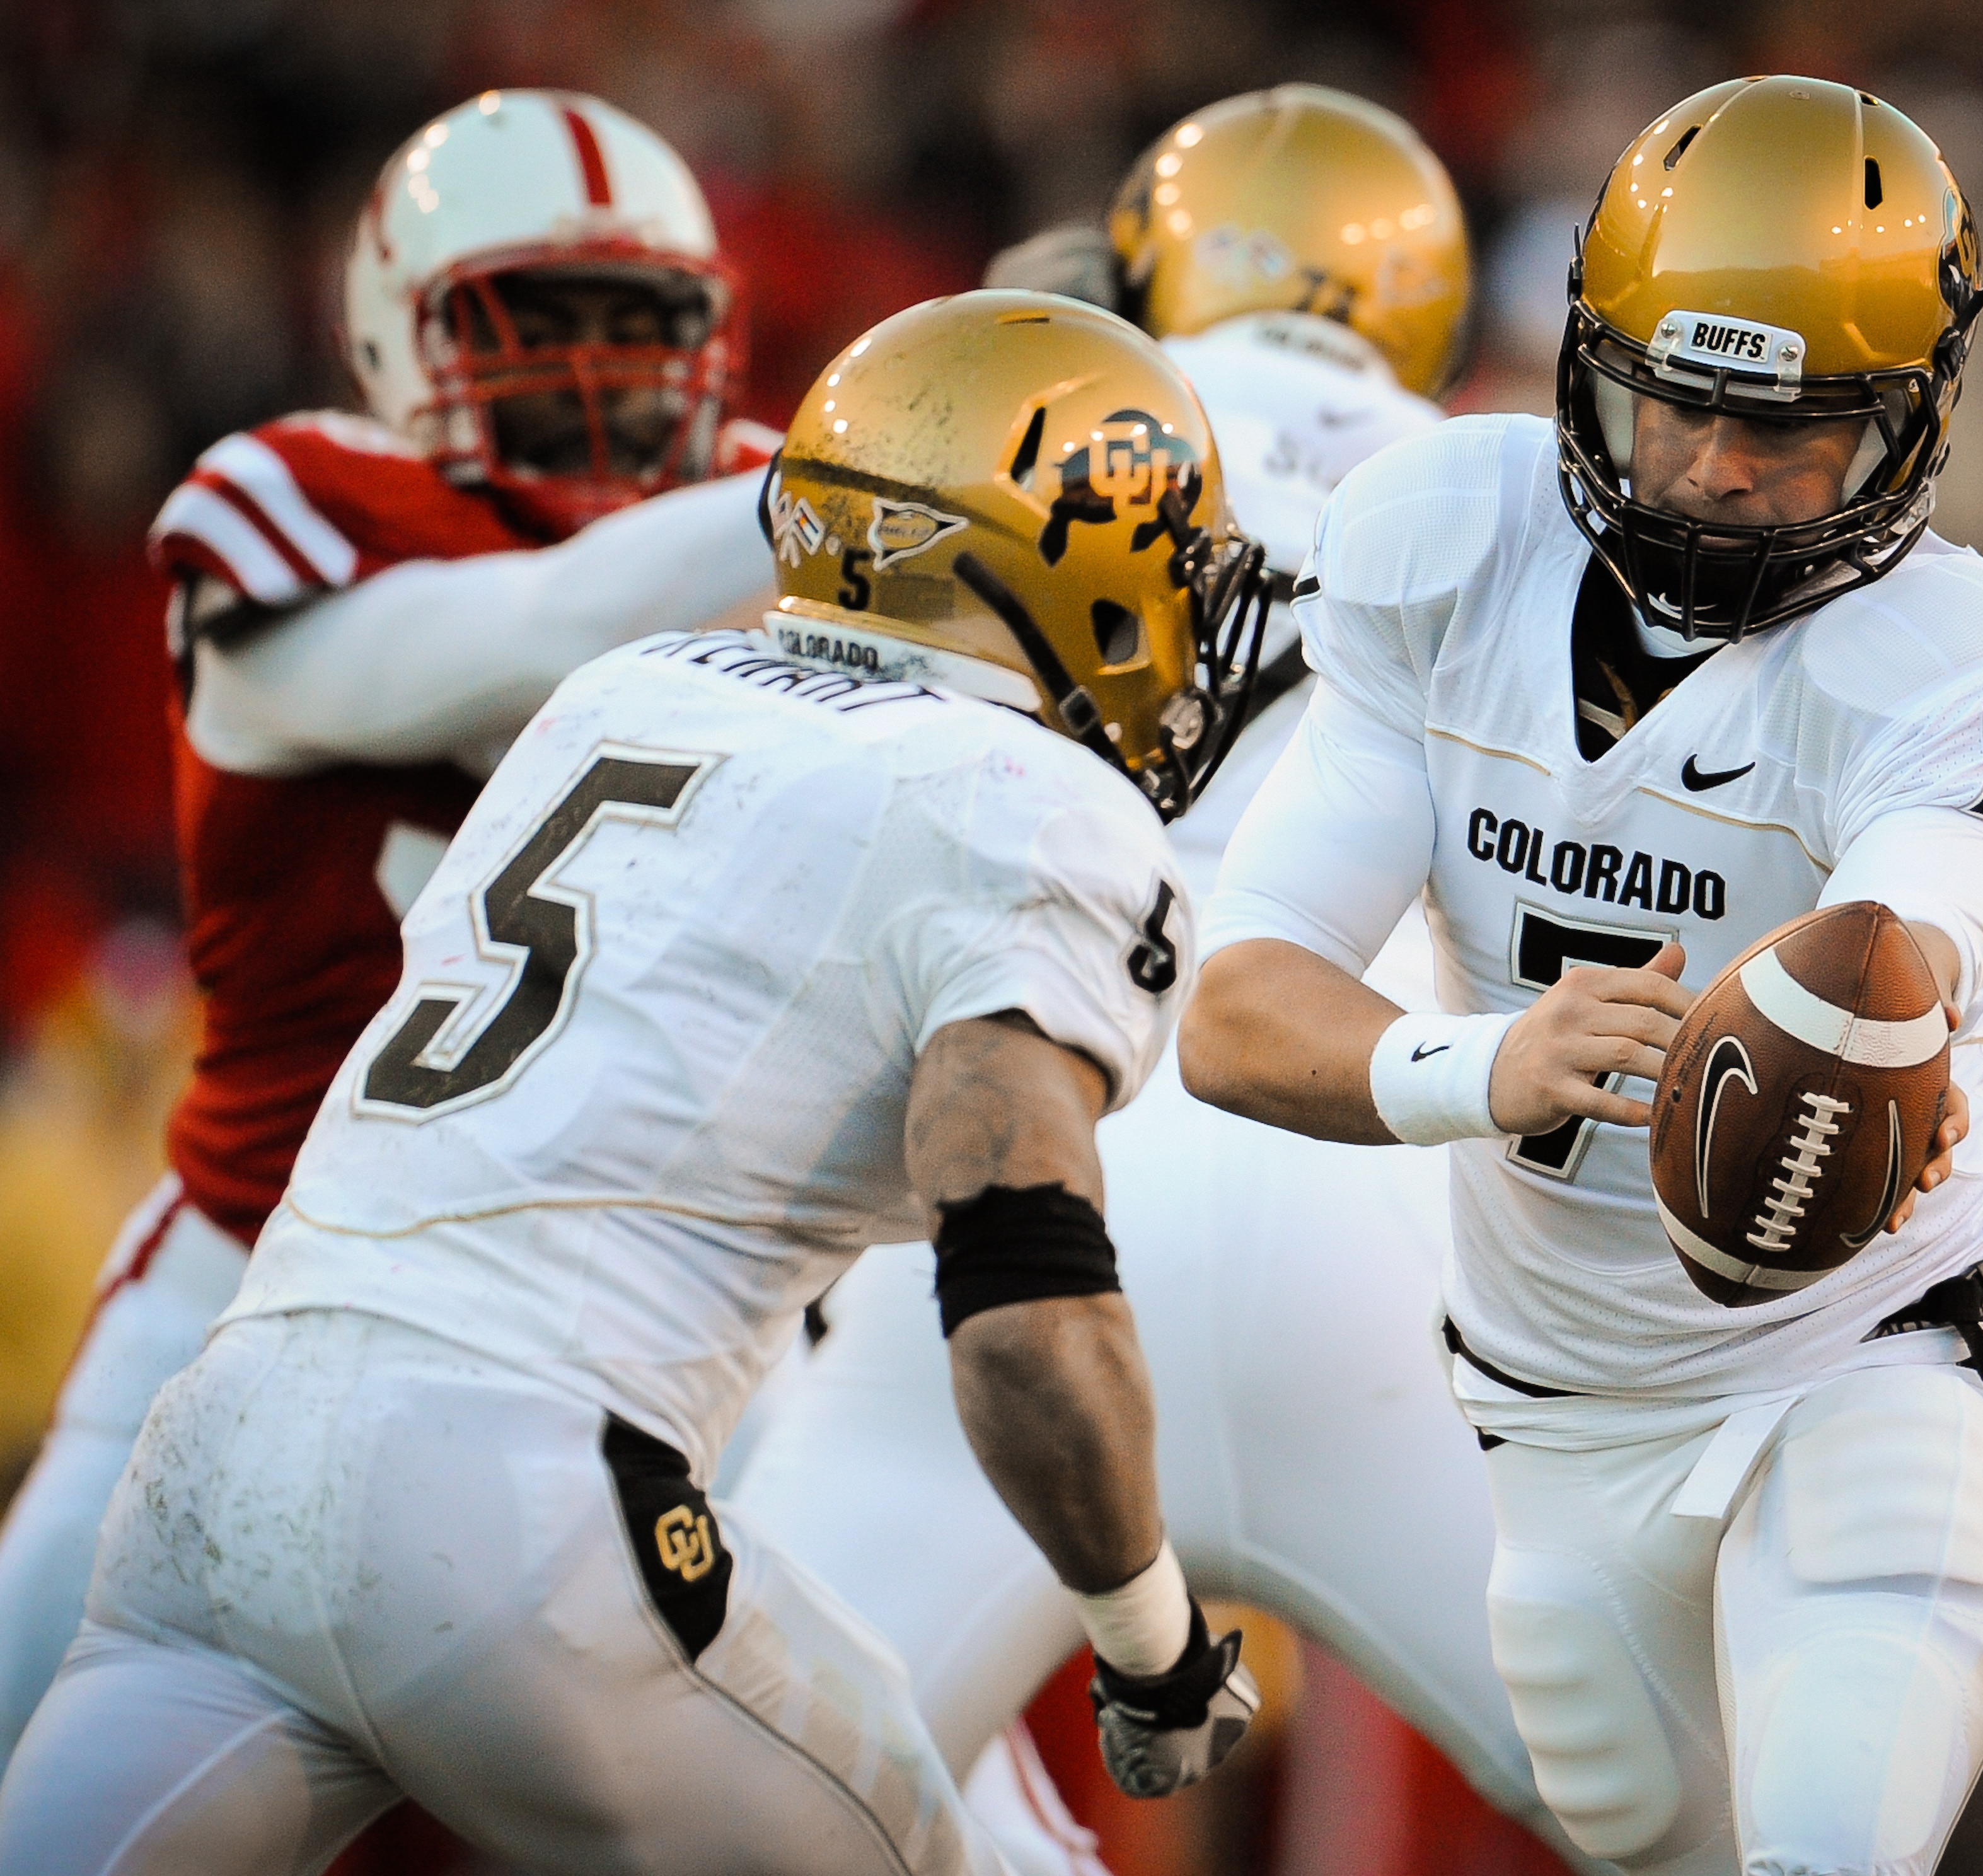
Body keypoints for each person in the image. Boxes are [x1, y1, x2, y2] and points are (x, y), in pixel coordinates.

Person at [0, 290, 1268, 1873]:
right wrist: (1152, 1638)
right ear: (1065, 567)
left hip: (220, 1448)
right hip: (523, 1492)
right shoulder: (1030, 803)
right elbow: (1028, 1320)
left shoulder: (628, 688)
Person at [1179, 76, 1983, 1876]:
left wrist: (1873, 1056)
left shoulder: (1971, 669)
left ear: (1914, 426)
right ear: (1587, 357)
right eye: (1672, 399)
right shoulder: (1443, 539)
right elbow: (1241, 1009)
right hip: (1555, 1409)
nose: (1713, 467)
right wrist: (1486, 1065)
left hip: (1865, 1359)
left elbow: (1893, 955)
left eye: (1791, 428)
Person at [726, 86, 1597, 1872]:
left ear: (1138, 269)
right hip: (1384, 1221)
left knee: (761, 1823)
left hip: (1023, 1181)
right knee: (1711, 1815)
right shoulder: (1526, 498)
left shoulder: (1003, 443)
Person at [0, 87, 785, 1768]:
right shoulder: (296, 503)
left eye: (640, 326)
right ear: (395, 329)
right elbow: (521, 632)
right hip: (256, 1264)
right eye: (536, 324)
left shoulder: (770, 512)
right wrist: (831, 500)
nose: (599, 374)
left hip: (635, 1301)